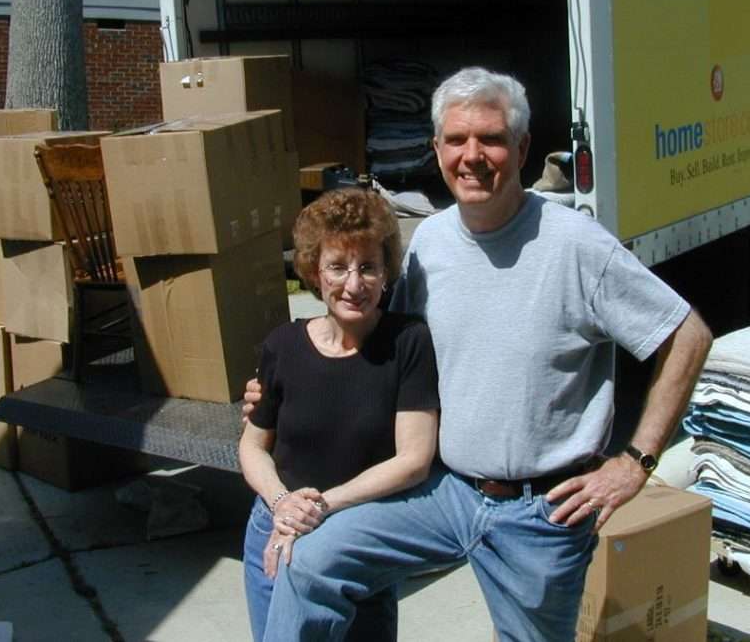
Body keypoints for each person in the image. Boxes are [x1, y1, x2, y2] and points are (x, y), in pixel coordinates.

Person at [245, 67, 713, 642]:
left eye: (490, 138)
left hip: (539, 512)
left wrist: (635, 463)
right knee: (312, 560)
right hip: (444, 492)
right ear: (437, 149)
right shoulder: (431, 245)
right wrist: (282, 386)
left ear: (520, 148)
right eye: (457, 139)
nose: (473, 155)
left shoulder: (576, 246)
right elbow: (380, 349)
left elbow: (686, 334)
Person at [238, 187, 440, 641]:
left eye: (368, 267)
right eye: (338, 267)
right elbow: (252, 446)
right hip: (277, 532)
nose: (354, 284)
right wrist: (282, 504)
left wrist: (323, 507)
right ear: (314, 271)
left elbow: (413, 460)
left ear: (387, 272)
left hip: (358, 537)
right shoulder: (282, 346)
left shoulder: (407, 343)